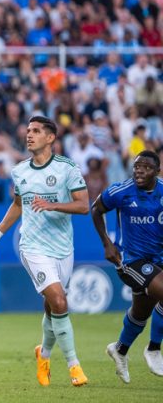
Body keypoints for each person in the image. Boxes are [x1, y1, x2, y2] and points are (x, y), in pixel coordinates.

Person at [0, 116, 90, 387]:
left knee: (53, 306)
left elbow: (84, 205)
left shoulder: (67, 168)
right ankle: (74, 366)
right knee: (60, 301)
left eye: (37, 131)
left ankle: (44, 353)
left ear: (50, 138)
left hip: (63, 248)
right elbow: (18, 205)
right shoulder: (20, 171)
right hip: (32, 247)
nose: (29, 135)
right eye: (28, 130)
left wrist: (53, 206)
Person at [90, 150, 163, 382]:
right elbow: (96, 209)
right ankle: (153, 349)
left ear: (157, 171)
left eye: (146, 167)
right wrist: (107, 243)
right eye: (136, 166)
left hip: (158, 259)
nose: (139, 171)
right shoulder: (120, 191)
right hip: (130, 260)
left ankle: (119, 350)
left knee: (140, 312)